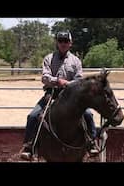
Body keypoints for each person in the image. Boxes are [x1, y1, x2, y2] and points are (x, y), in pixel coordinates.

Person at [19, 31, 98, 160]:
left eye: (66, 41)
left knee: (88, 114)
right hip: (52, 94)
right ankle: (29, 146)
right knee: (33, 116)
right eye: (60, 41)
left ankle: (91, 143)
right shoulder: (48, 58)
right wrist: (57, 81)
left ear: (70, 43)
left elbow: (79, 81)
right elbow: (45, 77)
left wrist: (66, 84)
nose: (63, 44)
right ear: (57, 42)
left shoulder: (76, 61)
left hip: (72, 97)